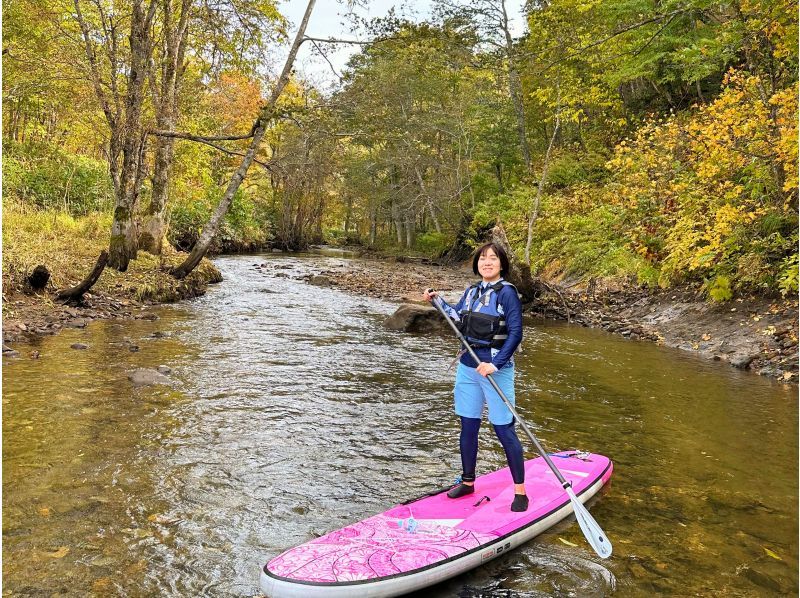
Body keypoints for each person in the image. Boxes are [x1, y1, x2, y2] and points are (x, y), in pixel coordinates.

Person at [422, 242, 528, 512]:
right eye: (483, 259)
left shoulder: (507, 294)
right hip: (468, 367)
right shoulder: (471, 292)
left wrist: (496, 363)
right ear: (477, 264)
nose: (487, 262)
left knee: (504, 428)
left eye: (493, 258)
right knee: (468, 426)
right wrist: (437, 301)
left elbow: (515, 333)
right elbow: (457, 317)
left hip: (495, 370)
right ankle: (468, 481)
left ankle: (520, 491)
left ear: (501, 264)